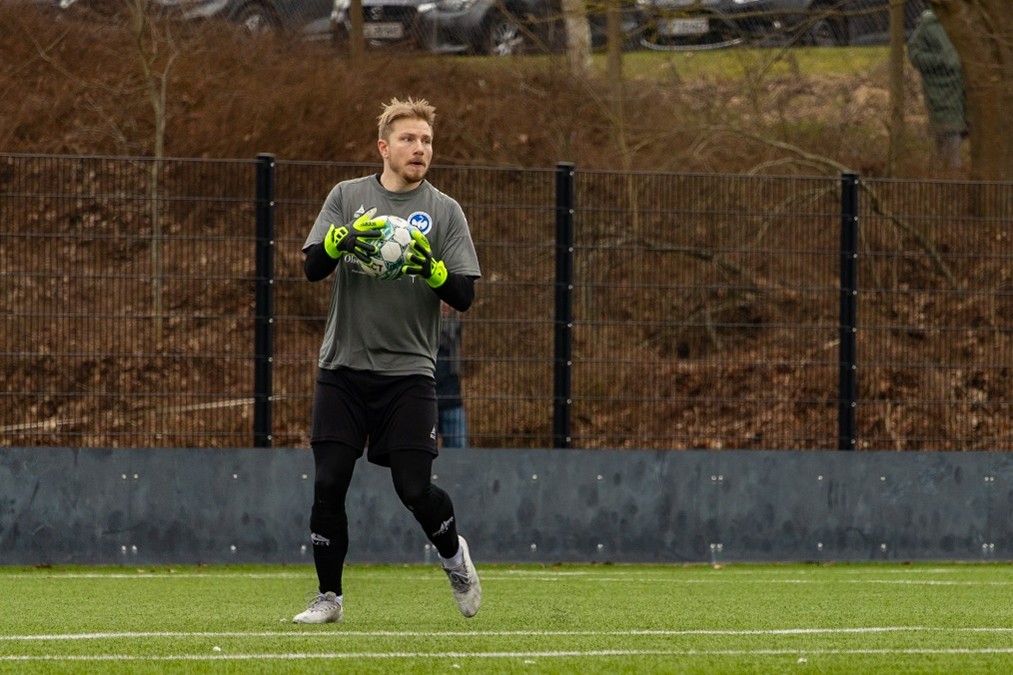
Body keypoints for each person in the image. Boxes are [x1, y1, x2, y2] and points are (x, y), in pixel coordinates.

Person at [294, 97, 482, 624]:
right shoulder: (347, 196)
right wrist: (338, 241)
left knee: (413, 488)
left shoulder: (445, 211)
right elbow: (312, 267)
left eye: (425, 141)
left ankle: (455, 559)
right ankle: (329, 598)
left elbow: (465, 294)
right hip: (343, 369)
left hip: (409, 374)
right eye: (408, 139)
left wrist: (435, 271)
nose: (419, 148)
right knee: (330, 481)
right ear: (384, 147)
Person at [907, 8, 968, 169]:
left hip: (966, 92)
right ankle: (949, 184)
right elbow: (914, 54)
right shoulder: (929, 26)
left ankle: (942, 180)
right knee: (949, 141)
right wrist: (942, 61)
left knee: (950, 143)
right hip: (941, 91)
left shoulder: (966, 21)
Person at [436, 302, 469, 448]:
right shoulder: (422, 330)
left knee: (459, 452)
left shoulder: (454, 325)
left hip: (452, 398)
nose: (445, 305)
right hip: (427, 398)